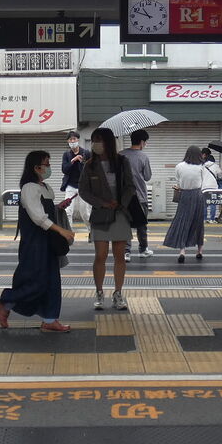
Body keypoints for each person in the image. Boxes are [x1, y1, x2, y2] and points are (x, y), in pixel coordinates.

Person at [0, 151, 76, 333]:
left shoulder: (44, 187)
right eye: (46, 164)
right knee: (36, 281)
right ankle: (6, 300)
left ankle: (50, 319)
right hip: (35, 243)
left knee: (52, 281)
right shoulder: (30, 188)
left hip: (47, 241)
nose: (49, 168)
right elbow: (38, 217)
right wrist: (61, 230)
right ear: (36, 167)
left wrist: (58, 207)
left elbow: (44, 211)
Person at [79, 126, 137, 312]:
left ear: (108, 142)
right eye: (94, 140)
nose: (95, 144)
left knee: (120, 256)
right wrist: (103, 203)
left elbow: (130, 186)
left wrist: (121, 203)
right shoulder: (89, 165)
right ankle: (99, 292)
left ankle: (118, 293)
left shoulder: (122, 162)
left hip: (120, 213)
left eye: (99, 140)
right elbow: (83, 191)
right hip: (100, 214)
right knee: (100, 255)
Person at [162, 146, 210, 263]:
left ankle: (182, 251)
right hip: (198, 195)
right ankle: (199, 251)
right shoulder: (201, 167)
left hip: (184, 195)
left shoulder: (179, 166)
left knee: (183, 222)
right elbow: (204, 183)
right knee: (198, 223)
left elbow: (178, 182)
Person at [121, 128, 153, 256]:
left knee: (124, 224)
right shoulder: (143, 157)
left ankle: (126, 252)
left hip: (123, 197)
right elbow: (147, 177)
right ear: (141, 142)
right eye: (145, 142)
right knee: (141, 225)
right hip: (140, 196)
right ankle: (143, 249)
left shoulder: (120, 155)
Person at [59, 130, 91, 224]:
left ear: (78, 140)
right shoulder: (66, 154)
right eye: (70, 139)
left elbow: (91, 169)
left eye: (74, 139)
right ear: (67, 141)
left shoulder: (86, 153)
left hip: (83, 186)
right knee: (67, 211)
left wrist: (83, 162)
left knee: (85, 213)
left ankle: (91, 231)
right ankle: (69, 232)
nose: (72, 141)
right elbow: (64, 170)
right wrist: (73, 160)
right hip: (70, 186)